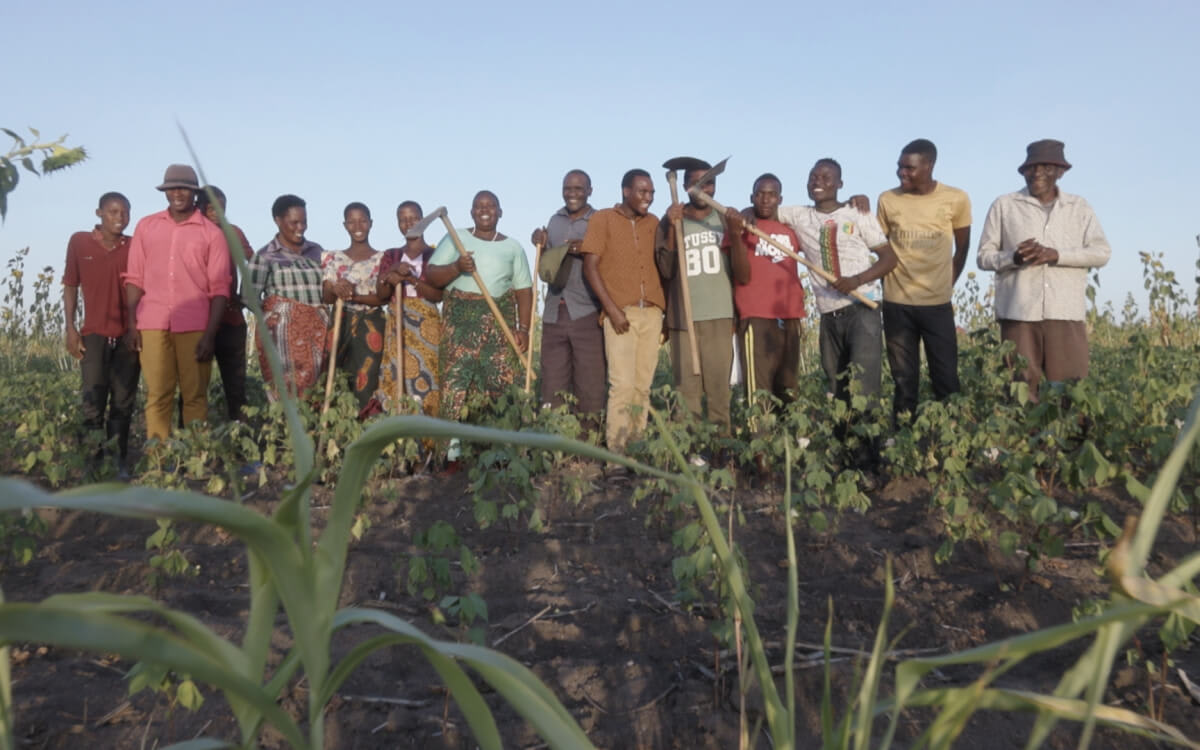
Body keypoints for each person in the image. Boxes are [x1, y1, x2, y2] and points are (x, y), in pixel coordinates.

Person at [977, 139, 1110, 399]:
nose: (1037, 173)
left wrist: (1055, 255)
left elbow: (1102, 252)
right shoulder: (1005, 205)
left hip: (1065, 311)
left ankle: (1071, 441)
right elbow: (984, 257)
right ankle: (1023, 440)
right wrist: (1014, 257)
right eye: (1032, 168)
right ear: (1023, 171)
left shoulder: (1078, 207)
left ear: (1060, 172)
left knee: (1071, 389)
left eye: (1047, 167)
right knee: (1021, 389)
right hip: (1019, 312)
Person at [123, 164, 231, 443]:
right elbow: (134, 278)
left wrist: (210, 334)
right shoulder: (147, 227)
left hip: (194, 325)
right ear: (165, 192)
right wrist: (132, 323)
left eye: (183, 188)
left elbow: (220, 289)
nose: (177, 193)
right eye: (172, 188)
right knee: (158, 394)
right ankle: (158, 459)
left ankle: (195, 457)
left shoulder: (211, 234)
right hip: (152, 322)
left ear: (194, 193)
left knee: (195, 395)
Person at [425, 191, 532, 466]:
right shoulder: (457, 239)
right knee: (456, 383)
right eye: (479, 206)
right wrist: (457, 267)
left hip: (499, 324)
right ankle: (451, 455)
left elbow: (524, 290)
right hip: (461, 322)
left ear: (500, 212)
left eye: (491, 206)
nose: (485, 210)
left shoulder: (513, 247)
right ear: (472, 212)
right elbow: (432, 275)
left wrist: (524, 329)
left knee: (499, 382)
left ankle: (500, 452)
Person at [781, 160, 897, 410]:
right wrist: (745, 213)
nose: (817, 182)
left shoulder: (858, 213)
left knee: (863, 387)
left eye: (826, 178)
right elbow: (764, 208)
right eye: (813, 177)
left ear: (840, 184)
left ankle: (869, 447)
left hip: (863, 308)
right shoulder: (799, 215)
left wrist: (857, 280)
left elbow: (889, 259)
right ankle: (842, 447)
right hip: (828, 315)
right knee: (835, 387)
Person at [876, 139, 972, 422]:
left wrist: (947, 282)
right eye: (899, 167)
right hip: (897, 304)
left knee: (945, 377)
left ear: (929, 166)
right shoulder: (887, 200)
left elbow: (962, 247)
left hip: (937, 304)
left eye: (909, 168)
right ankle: (904, 440)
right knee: (904, 381)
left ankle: (951, 438)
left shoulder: (956, 198)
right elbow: (880, 248)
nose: (901, 173)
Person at [579, 169, 664, 454]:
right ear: (626, 191)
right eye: (642, 191)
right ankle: (616, 455)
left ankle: (636, 448)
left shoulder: (654, 223)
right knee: (622, 386)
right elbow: (589, 266)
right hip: (621, 315)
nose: (648, 198)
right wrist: (612, 310)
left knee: (642, 387)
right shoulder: (602, 219)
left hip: (651, 314)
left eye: (651, 192)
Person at [655, 161, 738, 440]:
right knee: (686, 390)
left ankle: (720, 448)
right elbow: (666, 269)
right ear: (685, 187)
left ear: (715, 186)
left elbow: (739, 268)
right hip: (684, 316)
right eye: (695, 183)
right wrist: (671, 226)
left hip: (719, 314)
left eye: (708, 183)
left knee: (718, 389)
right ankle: (688, 448)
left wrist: (736, 314)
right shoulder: (670, 219)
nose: (702, 189)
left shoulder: (725, 218)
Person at [63, 192, 139, 475]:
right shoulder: (80, 242)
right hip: (93, 333)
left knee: (123, 401)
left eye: (125, 213)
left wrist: (134, 329)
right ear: (99, 213)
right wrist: (70, 328)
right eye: (113, 212)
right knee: (93, 400)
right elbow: (70, 283)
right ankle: (91, 464)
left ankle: (118, 461)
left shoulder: (133, 247)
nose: (120, 218)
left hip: (127, 336)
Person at [530, 169, 606, 432]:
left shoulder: (599, 220)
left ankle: (589, 444)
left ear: (589, 191)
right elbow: (549, 264)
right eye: (567, 189)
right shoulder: (554, 220)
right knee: (553, 379)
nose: (572, 194)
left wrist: (583, 249)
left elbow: (607, 260)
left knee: (590, 381)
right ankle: (553, 441)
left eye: (578, 189)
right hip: (554, 310)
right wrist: (539, 244)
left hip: (587, 309)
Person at [725, 174, 805, 406]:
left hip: (790, 315)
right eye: (760, 194)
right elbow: (741, 275)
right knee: (759, 389)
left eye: (771, 194)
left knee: (788, 387)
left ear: (780, 199)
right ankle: (759, 437)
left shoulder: (791, 231)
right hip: (756, 316)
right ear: (752, 197)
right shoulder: (741, 228)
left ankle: (787, 439)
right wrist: (736, 235)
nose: (765, 199)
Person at [244, 194, 329, 401]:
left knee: (318, 390)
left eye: (304, 222)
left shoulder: (317, 252)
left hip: (318, 335)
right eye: (294, 222)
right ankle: (285, 432)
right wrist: (281, 318)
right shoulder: (265, 256)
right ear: (278, 221)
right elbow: (248, 297)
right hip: (282, 339)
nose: (300, 227)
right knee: (287, 389)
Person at [371, 201, 443, 418]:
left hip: (426, 326)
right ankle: (400, 441)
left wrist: (410, 279)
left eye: (413, 218)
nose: (408, 223)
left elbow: (438, 295)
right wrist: (393, 273)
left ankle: (429, 443)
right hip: (397, 322)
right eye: (403, 219)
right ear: (397, 223)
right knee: (397, 376)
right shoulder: (391, 255)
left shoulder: (435, 255)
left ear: (422, 219)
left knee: (428, 378)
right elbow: (382, 295)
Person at [196, 186, 254, 421]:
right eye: (210, 208)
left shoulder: (233, 233)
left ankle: (240, 440)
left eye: (221, 209)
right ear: (199, 207)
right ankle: (194, 444)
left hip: (230, 319)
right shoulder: (191, 233)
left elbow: (252, 263)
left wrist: (245, 295)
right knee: (195, 387)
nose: (216, 213)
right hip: (198, 322)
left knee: (236, 387)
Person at [322, 202, 386, 414]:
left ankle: (366, 427)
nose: (358, 225)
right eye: (352, 221)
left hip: (371, 324)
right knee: (334, 376)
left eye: (363, 221)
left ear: (371, 223)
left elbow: (382, 298)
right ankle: (334, 432)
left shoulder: (382, 259)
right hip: (341, 322)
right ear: (345, 225)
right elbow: (327, 296)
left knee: (367, 377)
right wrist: (336, 287)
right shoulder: (332, 258)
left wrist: (354, 295)